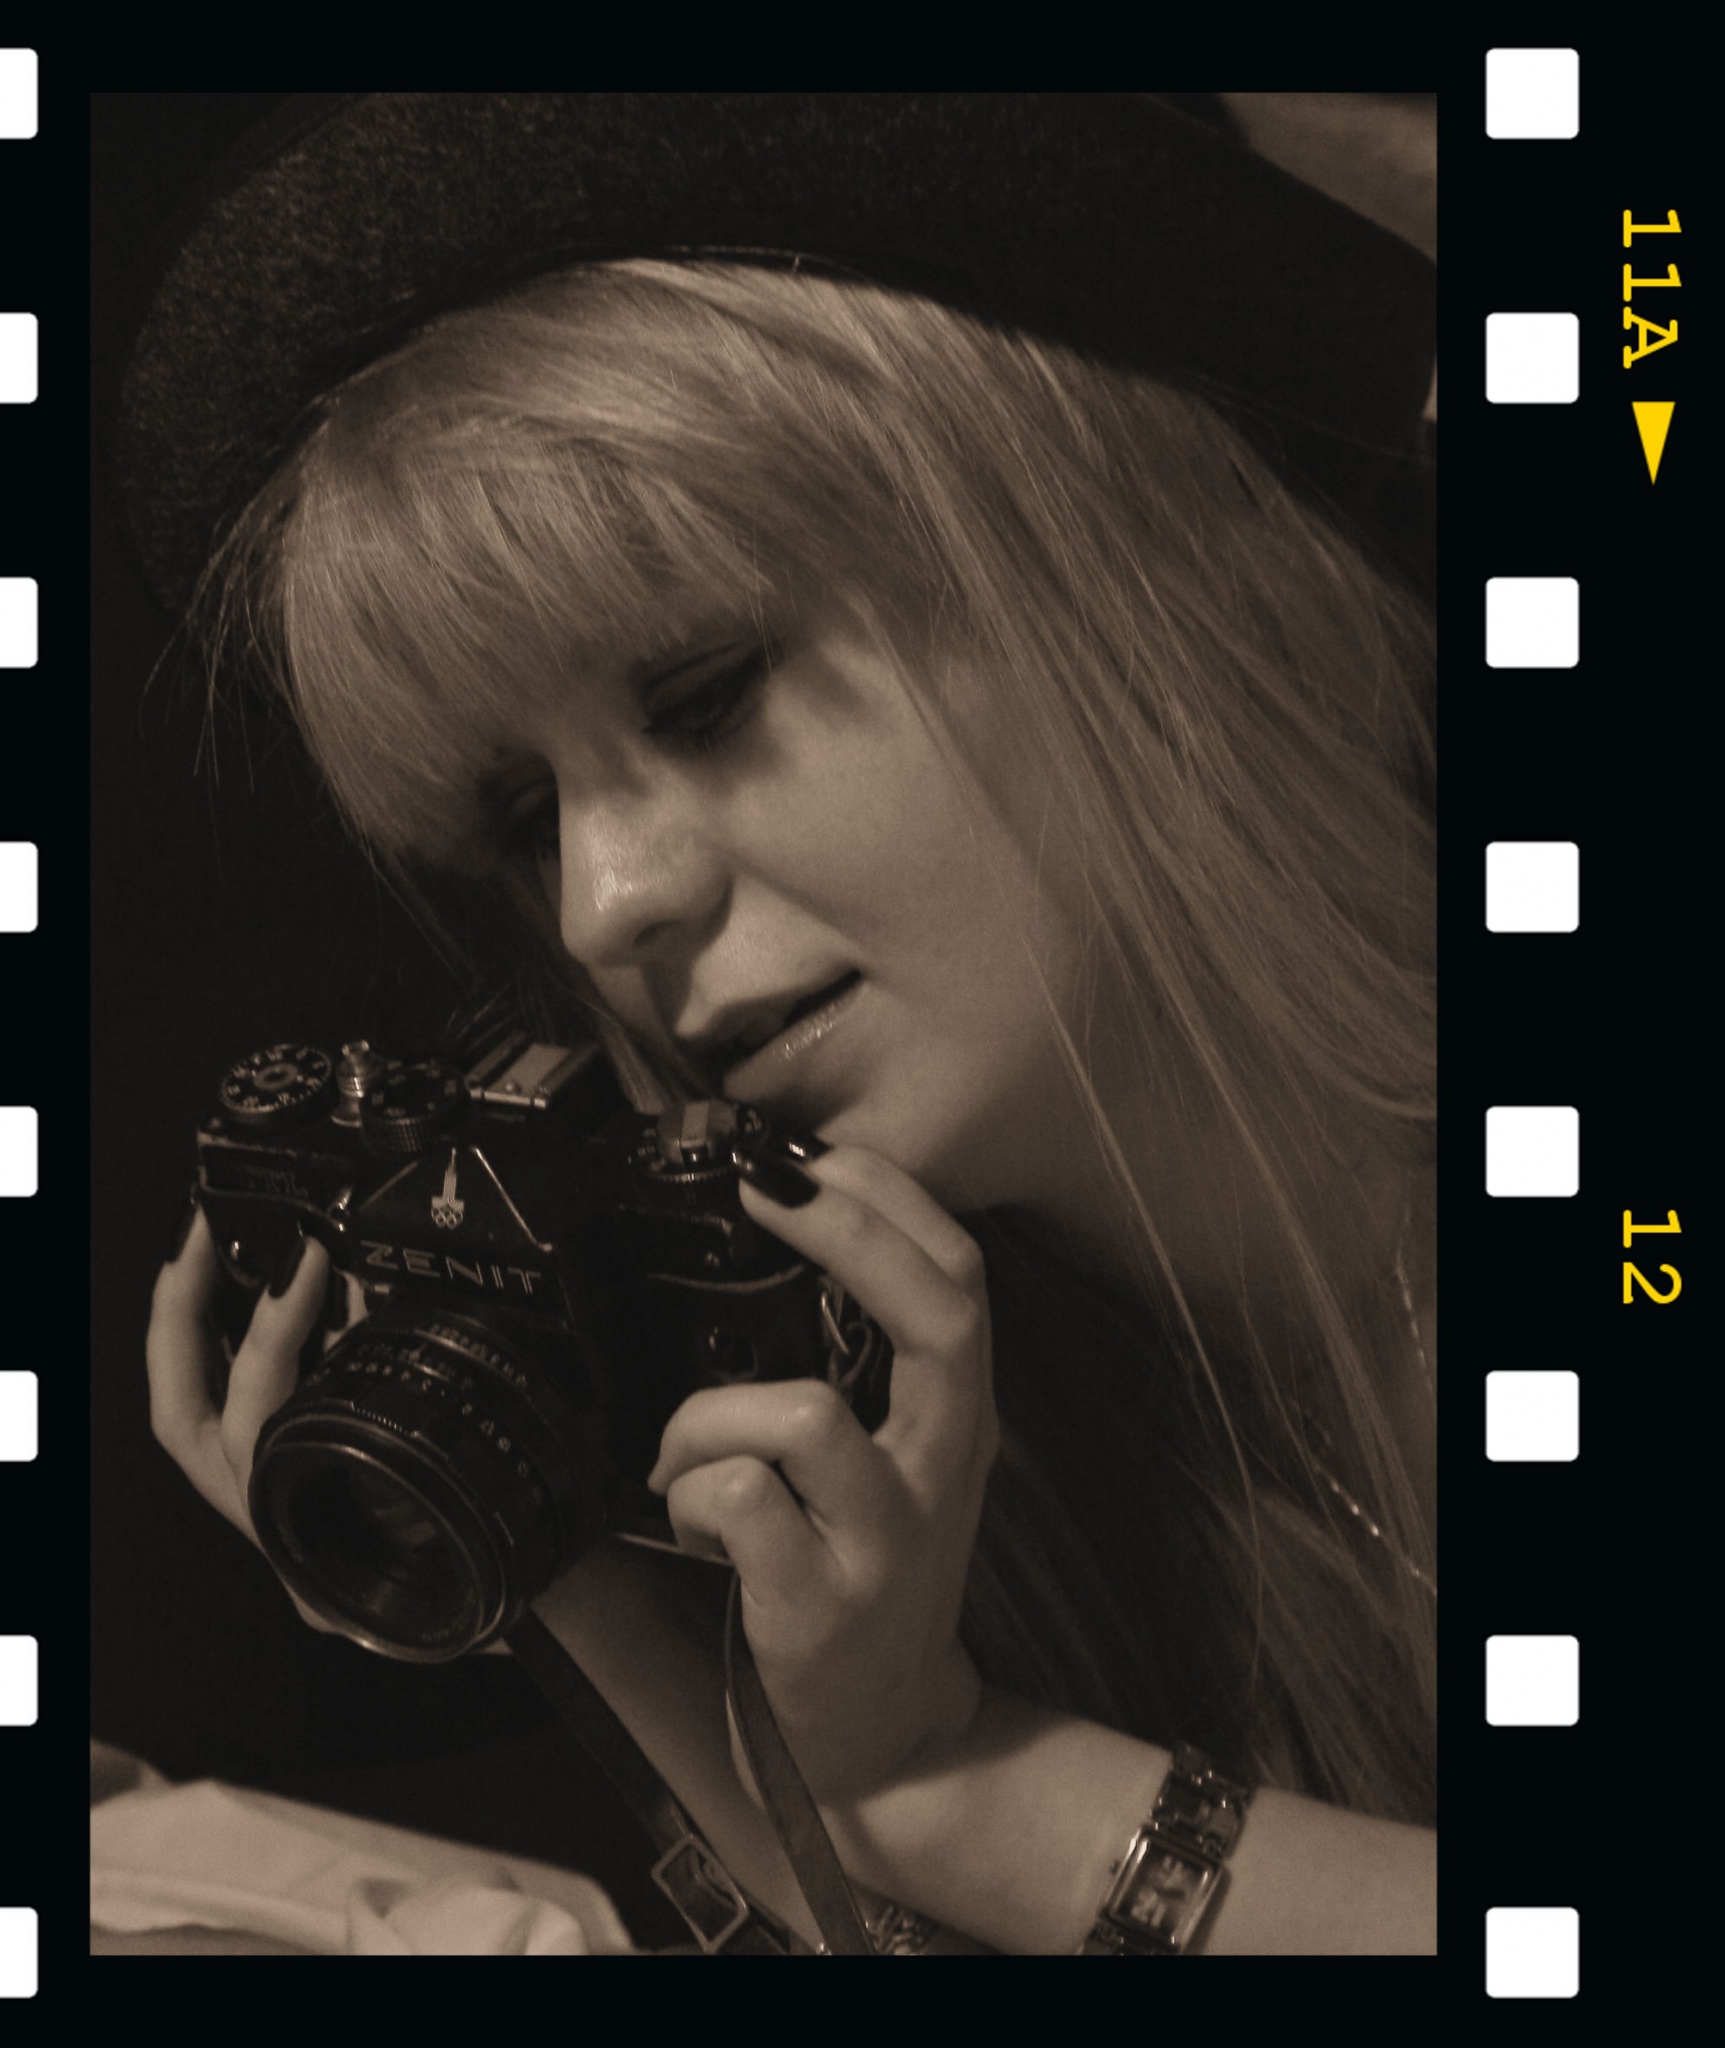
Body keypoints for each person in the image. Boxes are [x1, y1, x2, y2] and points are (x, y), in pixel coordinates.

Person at [129, 93, 1437, 1955]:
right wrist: (562, 1554)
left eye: (706, 692)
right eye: (527, 819)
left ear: (1113, 548)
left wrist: (970, 1791)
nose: (603, 906)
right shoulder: (937, 1413)